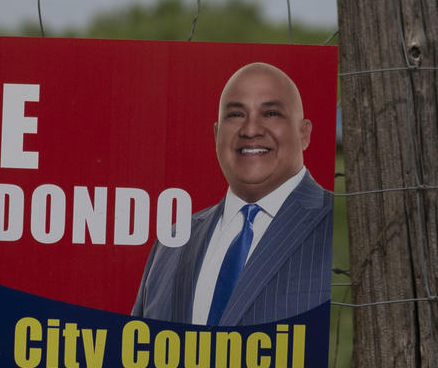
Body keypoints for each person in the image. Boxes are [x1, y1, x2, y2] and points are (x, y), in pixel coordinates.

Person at [131, 62, 332, 326]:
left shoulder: (336, 221)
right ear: (216, 134)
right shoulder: (171, 243)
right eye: (236, 114)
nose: (250, 130)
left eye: (271, 113)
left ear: (304, 133)